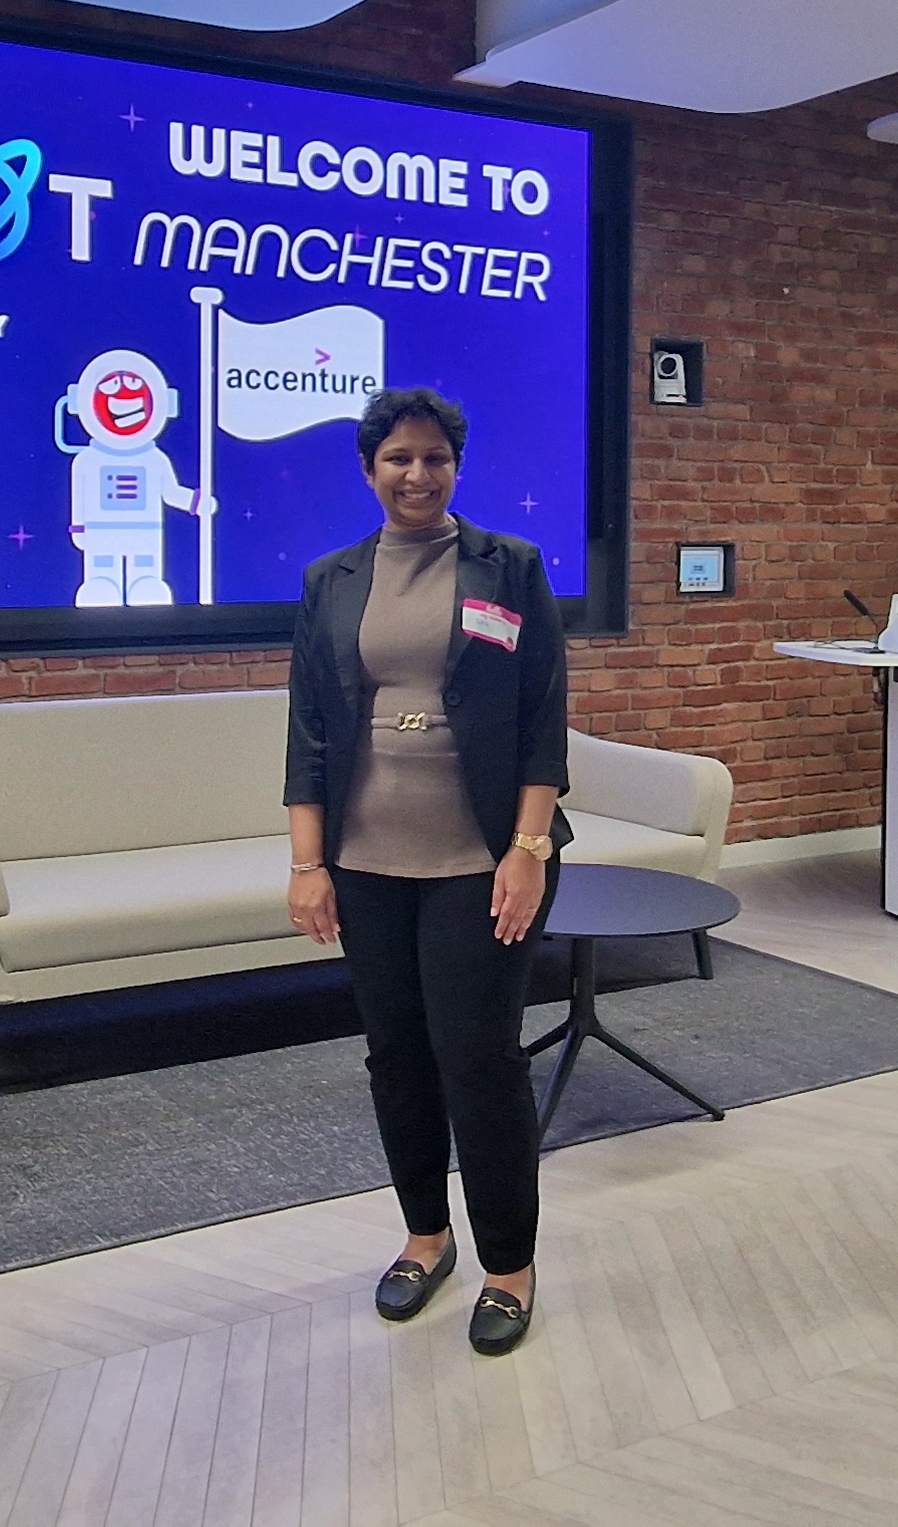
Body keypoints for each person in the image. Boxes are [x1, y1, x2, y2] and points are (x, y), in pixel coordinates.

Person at [281, 387, 570, 1357]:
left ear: (457, 464)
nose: (417, 473)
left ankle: (509, 1266)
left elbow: (540, 718)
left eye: (434, 456)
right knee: (396, 1056)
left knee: (479, 1060)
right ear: (369, 468)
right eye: (398, 457)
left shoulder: (508, 566)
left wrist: (526, 851)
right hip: (365, 859)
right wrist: (306, 863)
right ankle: (424, 1236)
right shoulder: (331, 578)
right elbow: (309, 730)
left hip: (481, 859)